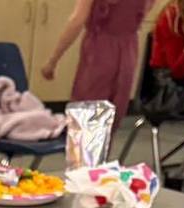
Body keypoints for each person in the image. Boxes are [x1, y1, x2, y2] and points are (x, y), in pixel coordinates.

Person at [40, 0, 155, 128]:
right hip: (129, 51)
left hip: (99, 51)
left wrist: (53, 60)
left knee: (87, 118)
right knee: (113, 117)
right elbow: (144, 11)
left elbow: (77, 20)